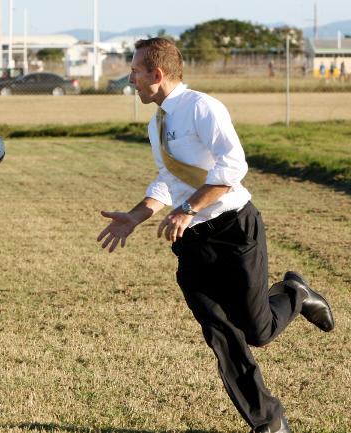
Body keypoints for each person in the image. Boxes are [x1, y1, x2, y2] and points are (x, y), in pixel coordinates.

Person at [97, 37, 335, 433]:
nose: (131, 78)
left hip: (233, 229)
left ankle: (295, 292)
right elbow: (169, 178)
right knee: (221, 333)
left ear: (157, 74)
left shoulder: (202, 108)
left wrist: (188, 209)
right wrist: (136, 216)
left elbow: (232, 167)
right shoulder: (156, 124)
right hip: (191, 243)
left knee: (257, 331)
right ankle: (268, 420)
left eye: (136, 70)